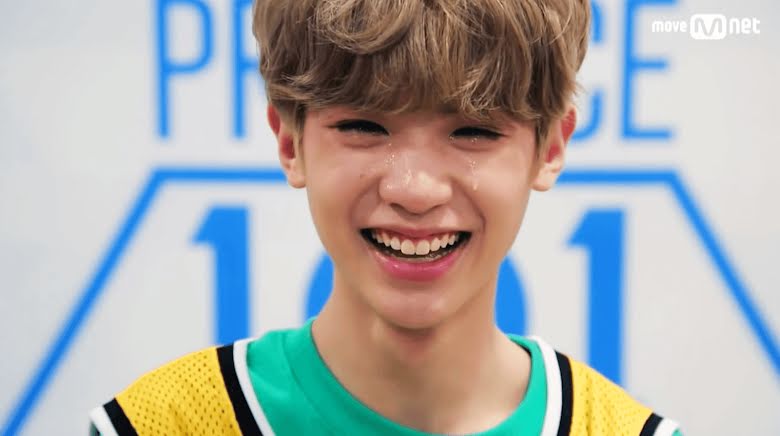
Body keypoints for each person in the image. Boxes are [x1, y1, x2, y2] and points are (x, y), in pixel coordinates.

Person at [90, 0, 682, 434]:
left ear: (550, 147)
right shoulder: (161, 424)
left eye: (473, 131)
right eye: (363, 126)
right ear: (290, 141)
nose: (415, 190)